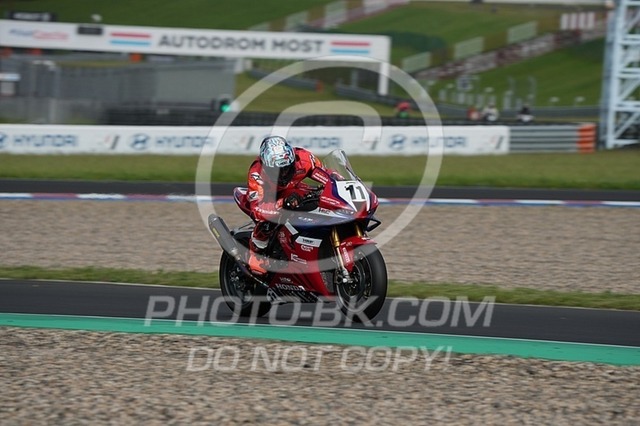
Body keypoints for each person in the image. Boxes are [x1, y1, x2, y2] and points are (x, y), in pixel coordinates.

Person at [245, 135, 329, 275]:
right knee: (267, 219)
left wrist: (339, 181)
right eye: (278, 170)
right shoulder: (257, 173)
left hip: (294, 190)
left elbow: (326, 175)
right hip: (268, 198)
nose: (283, 174)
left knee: (318, 199)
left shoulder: (304, 158)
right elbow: (257, 209)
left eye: (286, 168)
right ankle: (256, 252)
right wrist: (282, 203)